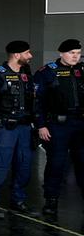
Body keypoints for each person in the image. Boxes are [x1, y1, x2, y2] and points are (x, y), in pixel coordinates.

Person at [0, 40, 36, 218]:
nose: (30, 56)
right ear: (17, 55)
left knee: (24, 165)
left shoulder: (27, 74)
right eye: (27, 53)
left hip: (24, 128)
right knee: (0, 166)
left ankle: (18, 200)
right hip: (5, 128)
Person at [34, 38, 84, 216]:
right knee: (56, 163)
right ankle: (51, 200)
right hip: (57, 125)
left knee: (82, 163)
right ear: (61, 53)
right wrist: (41, 125)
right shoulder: (47, 72)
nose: (75, 56)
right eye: (71, 53)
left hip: (80, 125)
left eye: (78, 53)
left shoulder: (81, 70)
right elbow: (37, 101)